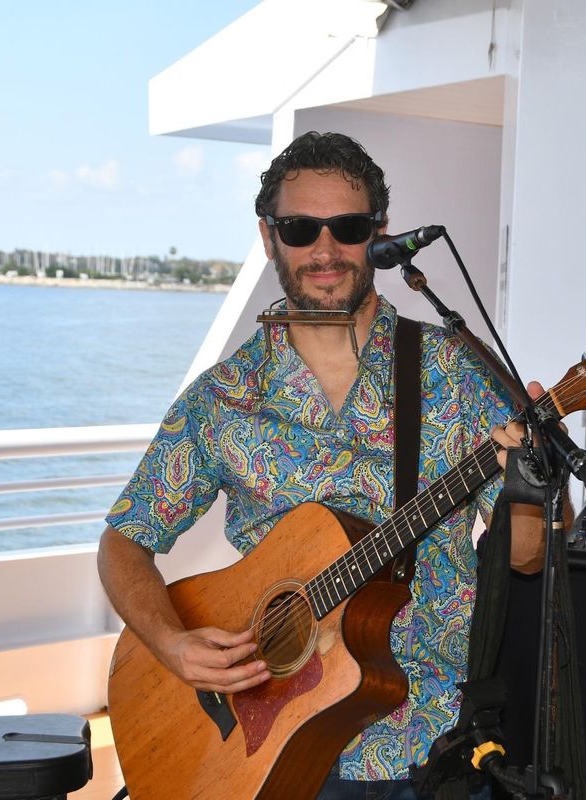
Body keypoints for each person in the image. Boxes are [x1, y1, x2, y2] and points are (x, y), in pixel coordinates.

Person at [97, 131, 547, 799]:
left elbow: (529, 557)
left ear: (379, 234)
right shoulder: (225, 397)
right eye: (302, 228)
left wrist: (528, 481)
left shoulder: (455, 374)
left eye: (349, 226)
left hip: (429, 742)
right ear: (268, 236)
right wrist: (171, 643)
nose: (326, 249)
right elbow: (124, 542)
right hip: (272, 748)